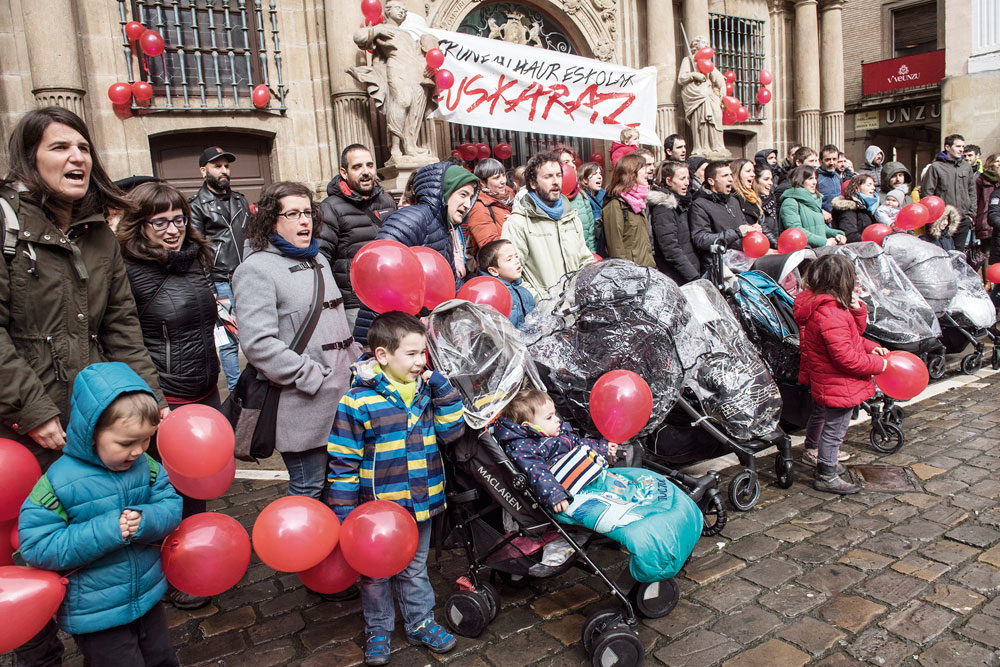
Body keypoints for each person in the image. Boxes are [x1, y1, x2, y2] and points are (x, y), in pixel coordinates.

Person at [0, 106, 169, 666]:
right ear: (29, 158)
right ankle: (38, 652)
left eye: (83, 147)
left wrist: (149, 405)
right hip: (25, 422)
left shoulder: (99, 233)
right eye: (58, 147)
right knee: (32, 543)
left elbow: (121, 326)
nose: (76, 157)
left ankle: (112, 636)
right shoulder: (6, 225)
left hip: (93, 413)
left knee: (105, 527)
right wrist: (33, 407)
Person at [18, 362, 182, 666]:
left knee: (163, 659)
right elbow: (36, 547)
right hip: (95, 613)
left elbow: (171, 506)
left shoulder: (145, 466)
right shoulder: (58, 483)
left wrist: (146, 520)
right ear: (92, 434)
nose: (138, 451)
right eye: (126, 443)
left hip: (147, 596)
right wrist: (108, 530)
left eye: (145, 439)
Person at [327, 311, 465, 665]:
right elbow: (343, 462)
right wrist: (343, 514)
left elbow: (452, 433)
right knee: (374, 574)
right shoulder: (357, 401)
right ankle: (378, 628)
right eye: (412, 354)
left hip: (422, 500)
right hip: (378, 512)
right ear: (383, 356)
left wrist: (445, 391)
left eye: (423, 354)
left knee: (415, 569)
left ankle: (420, 622)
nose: (421, 362)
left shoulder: (426, 392)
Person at [116, 182, 219, 607]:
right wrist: (152, 397)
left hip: (205, 388)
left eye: (179, 219)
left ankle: (196, 562)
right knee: (163, 493)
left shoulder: (194, 259)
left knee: (198, 486)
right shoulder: (127, 269)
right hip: (164, 398)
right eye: (160, 222)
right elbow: (124, 338)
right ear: (140, 225)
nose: (173, 229)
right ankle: (169, 572)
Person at [493, 388, 702, 582]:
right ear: (529, 427)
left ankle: (671, 529)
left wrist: (602, 448)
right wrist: (555, 495)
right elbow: (537, 472)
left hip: (590, 477)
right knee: (626, 511)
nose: (557, 420)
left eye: (555, 414)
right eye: (549, 417)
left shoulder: (554, 433)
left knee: (640, 485)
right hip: (569, 491)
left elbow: (578, 443)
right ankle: (657, 547)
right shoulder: (524, 448)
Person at [233, 181, 360, 498]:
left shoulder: (319, 259)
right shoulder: (256, 269)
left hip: (342, 397)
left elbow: (336, 322)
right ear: (271, 220)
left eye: (307, 212)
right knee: (308, 487)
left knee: (341, 486)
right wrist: (310, 375)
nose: (304, 221)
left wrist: (355, 359)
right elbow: (258, 344)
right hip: (302, 402)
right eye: (292, 213)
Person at [794, 255, 889, 493]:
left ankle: (824, 461)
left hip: (826, 377)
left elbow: (852, 335)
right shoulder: (832, 312)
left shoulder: (824, 306)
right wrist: (877, 364)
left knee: (826, 422)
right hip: (837, 381)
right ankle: (826, 474)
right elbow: (846, 357)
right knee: (835, 430)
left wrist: (859, 316)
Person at [353, 162, 479, 343]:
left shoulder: (443, 229)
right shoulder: (413, 218)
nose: (467, 204)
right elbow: (379, 276)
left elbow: (449, 282)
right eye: (463, 195)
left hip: (415, 333)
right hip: (391, 336)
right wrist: (373, 340)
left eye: (471, 197)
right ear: (443, 192)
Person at [188, 146, 250, 391]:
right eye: (217, 166)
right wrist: (210, 287)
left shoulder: (240, 200)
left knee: (255, 331)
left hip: (246, 279)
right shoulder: (196, 205)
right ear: (204, 171)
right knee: (228, 340)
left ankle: (256, 387)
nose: (224, 170)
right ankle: (235, 392)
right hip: (220, 281)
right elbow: (197, 250)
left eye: (226, 165)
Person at [318, 144, 398, 333]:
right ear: (344, 173)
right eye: (357, 167)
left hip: (388, 296)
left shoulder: (386, 200)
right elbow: (321, 257)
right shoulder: (330, 207)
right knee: (362, 357)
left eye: (370, 165)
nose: (366, 172)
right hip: (354, 303)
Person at [500, 151, 594, 297]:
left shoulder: (571, 217)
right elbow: (512, 276)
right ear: (533, 183)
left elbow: (585, 260)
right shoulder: (518, 223)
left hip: (577, 309)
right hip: (545, 314)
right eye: (548, 177)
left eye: (558, 175)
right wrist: (543, 303)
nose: (556, 181)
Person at [689, 161, 757, 271]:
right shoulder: (699, 204)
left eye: (730, 175)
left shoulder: (733, 201)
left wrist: (751, 229)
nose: (730, 179)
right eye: (725, 176)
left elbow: (742, 224)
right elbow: (700, 239)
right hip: (719, 268)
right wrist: (736, 233)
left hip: (742, 263)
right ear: (711, 181)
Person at [921, 134, 976, 253]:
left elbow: (972, 191)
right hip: (942, 221)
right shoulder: (936, 167)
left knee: (959, 254)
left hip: (963, 218)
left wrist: (971, 215)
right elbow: (927, 194)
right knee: (942, 253)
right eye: (958, 146)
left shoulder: (966, 167)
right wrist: (934, 218)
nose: (961, 149)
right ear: (947, 147)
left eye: (963, 146)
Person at [648, 160, 700, 284]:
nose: (687, 183)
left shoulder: (684, 203)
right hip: (677, 277)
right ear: (669, 181)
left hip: (691, 270)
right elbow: (670, 248)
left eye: (688, 178)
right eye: (682, 179)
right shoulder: (663, 208)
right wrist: (693, 276)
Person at [601, 153, 654, 267]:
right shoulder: (615, 205)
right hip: (631, 274)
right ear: (631, 173)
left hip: (646, 269)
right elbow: (616, 248)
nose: (647, 171)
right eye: (642, 167)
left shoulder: (639, 203)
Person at [779, 166, 846, 248]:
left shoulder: (815, 201)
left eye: (815, 178)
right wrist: (823, 242)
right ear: (800, 180)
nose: (815, 182)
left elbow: (820, 227)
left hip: (819, 251)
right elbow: (796, 230)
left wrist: (836, 234)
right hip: (802, 253)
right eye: (810, 178)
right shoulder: (790, 202)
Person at [478, 239, 534, 328]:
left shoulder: (525, 293)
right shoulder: (491, 297)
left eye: (516, 256)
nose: (516, 261)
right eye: (509, 259)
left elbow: (532, 319)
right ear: (493, 271)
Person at [466, 157, 513, 256]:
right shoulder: (479, 206)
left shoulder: (511, 195)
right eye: (496, 178)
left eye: (503, 175)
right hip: (498, 265)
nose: (503, 181)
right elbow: (490, 246)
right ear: (483, 183)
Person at [555, 145, 596, 253]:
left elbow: (590, 231)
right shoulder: (550, 197)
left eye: (573, 161)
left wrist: (592, 253)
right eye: (566, 162)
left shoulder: (582, 194)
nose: (572, 165)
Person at [731, 158, 778, 248]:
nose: (752, 175)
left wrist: (777, 245)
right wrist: (751, 229)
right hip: (743, 247)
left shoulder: (753, 197)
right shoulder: (732, 198)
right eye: (748, 171)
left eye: (753, 171)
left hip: (758, 244)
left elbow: (763, 227)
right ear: (737, 174)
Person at [831, 174, 880, 243]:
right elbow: (849, 235)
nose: (873, 188)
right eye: (869, 185)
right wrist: (872, 240)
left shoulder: (869, 207)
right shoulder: (849, 208)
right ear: (857, 188)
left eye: (873, 185)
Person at [974, 153, 1000, 244]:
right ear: (990, 163)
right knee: (988, 254)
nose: (999, 164)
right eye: (997, 161)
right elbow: (975, 200)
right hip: (985, 222)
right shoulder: (981, 179)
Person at [578, 161, 606, 241]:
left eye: (600, 173)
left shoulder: (606, 197)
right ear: (585, 180)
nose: (599, 177)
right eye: (594, 174)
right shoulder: (581, 199)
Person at [816, 144, 843, 214]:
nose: (832, 163)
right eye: (828, 160)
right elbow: (810, 202)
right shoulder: (815, 178)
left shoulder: (837, 176)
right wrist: (822, 212)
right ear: (820, 161)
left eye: (834, 159)